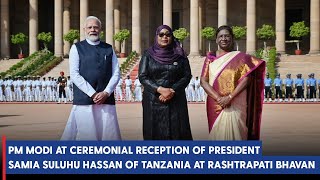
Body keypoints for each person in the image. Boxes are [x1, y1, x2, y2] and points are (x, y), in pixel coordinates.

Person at [61, 16, 121, 140]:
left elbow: (116, 73)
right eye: (90, 27)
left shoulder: (109, 48)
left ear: (100, 29)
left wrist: (106, 92)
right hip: (85, 99)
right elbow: (74, 74)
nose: (92, 30)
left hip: (106, 99)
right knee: (87, 135)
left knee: (108, 135)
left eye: (95, 27)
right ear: (84, 29)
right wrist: (93, 94)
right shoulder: (77, 48)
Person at [200, 25, 266, 140]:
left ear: (232, 38)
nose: (224, 39)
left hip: (236, 101)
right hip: (216, 104)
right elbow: (203, 81)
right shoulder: (210, 58)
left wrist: (230, 97)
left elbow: (246, 79)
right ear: (216, 40)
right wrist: (219, 98)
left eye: (227, 36)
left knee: (238, 134)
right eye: (221, 36)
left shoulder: (241, 57)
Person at [138, 24, 193, 140]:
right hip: (153, 101)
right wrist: (160, 89)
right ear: (156, 36)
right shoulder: (148, 54)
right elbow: (143, 76)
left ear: (172, 37)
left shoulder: (180, 55)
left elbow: (187, 76)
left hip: (176, 100)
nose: (165, 37)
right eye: (161, 35)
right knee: (154, 134)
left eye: (168, 35)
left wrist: (172, 90)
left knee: (178, 133)